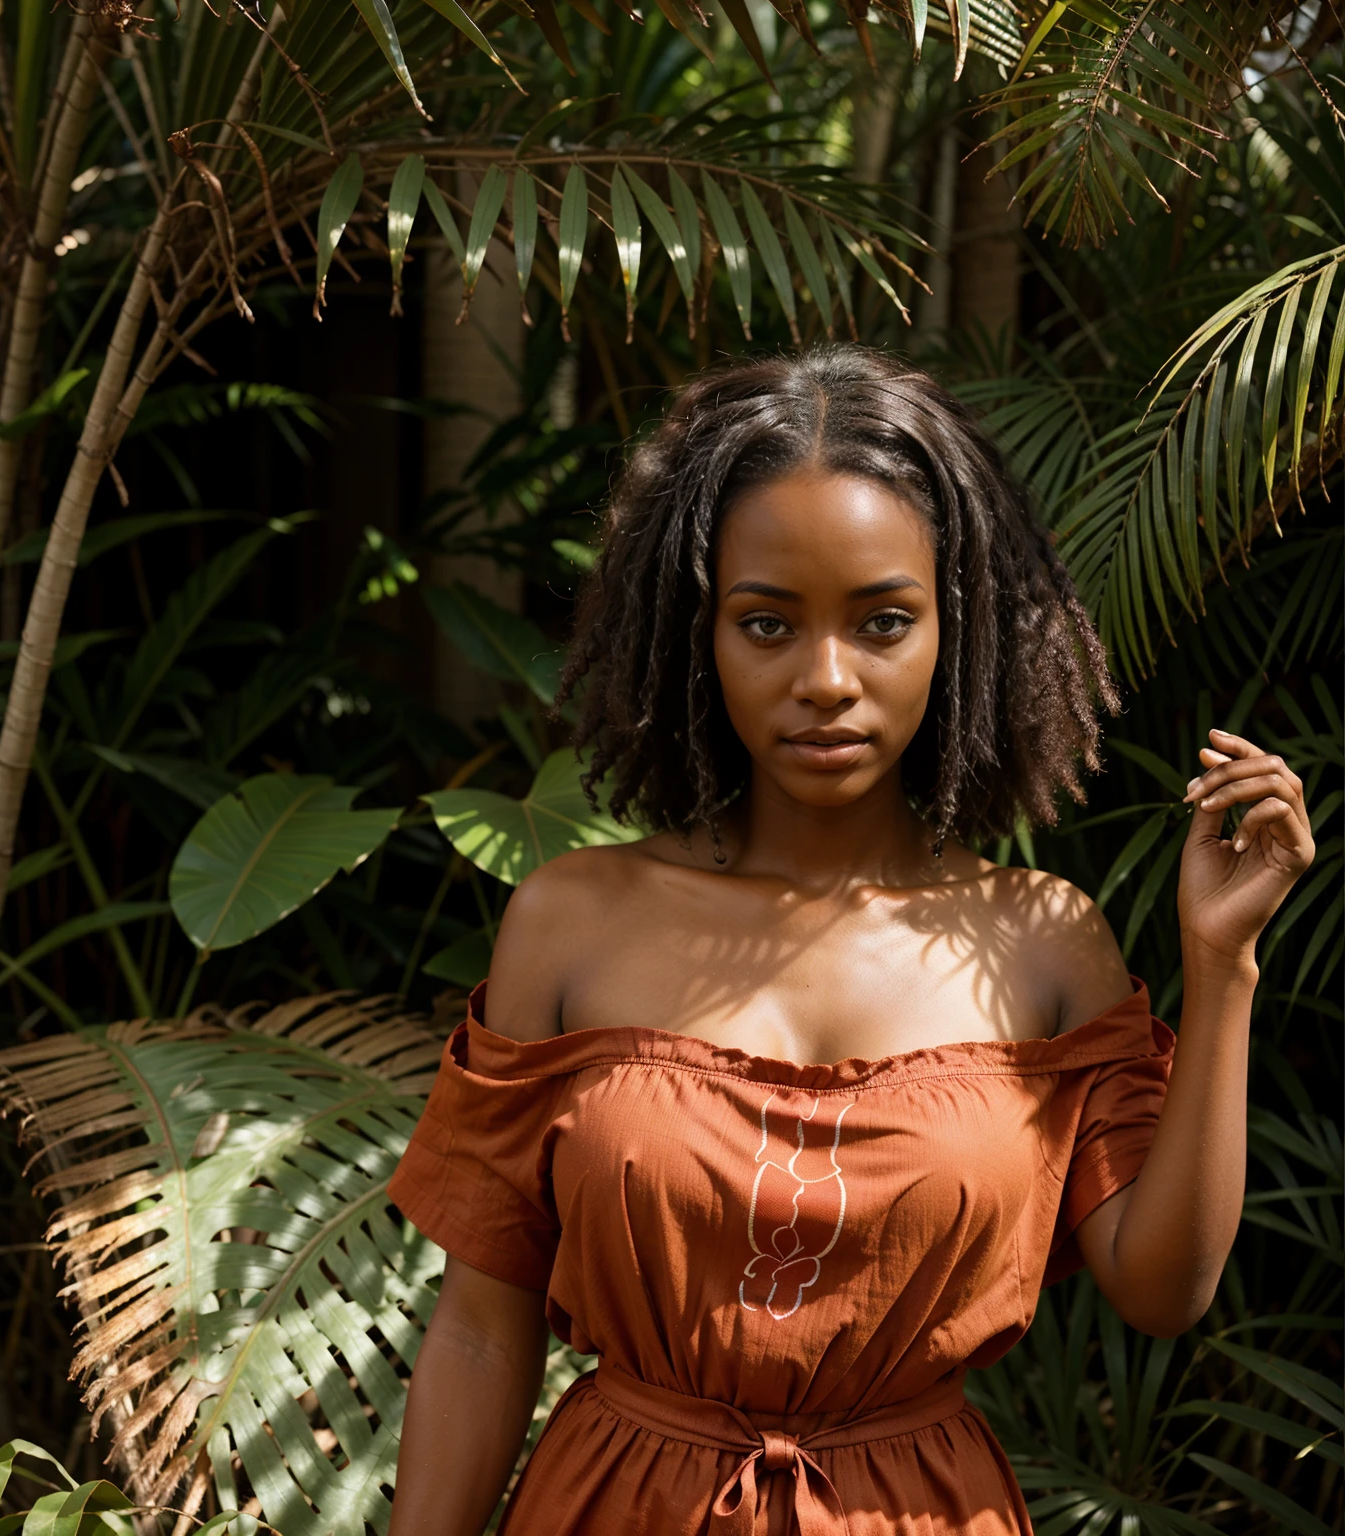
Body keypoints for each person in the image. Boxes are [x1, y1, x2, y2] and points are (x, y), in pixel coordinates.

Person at [385, 346, 1314, 1536]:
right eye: (767, 623)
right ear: (697, 635)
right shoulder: (570, 922)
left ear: (953, 630)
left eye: (882, 621)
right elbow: (476, 1326)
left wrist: (1221, 969)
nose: (826, 679)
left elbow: (1162, 1288)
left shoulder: (1040, 944)